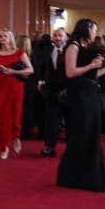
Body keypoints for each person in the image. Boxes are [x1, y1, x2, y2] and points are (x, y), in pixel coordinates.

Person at [56, 18, 105, 191]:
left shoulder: (85, 47)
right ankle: (73, 176)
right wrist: (91, 65)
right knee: (81, 134)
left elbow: (91, 76)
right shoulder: (73, 46)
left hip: (90, 94)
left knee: (90, 134)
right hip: (79, 96)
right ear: (87, 29)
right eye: (94, 29)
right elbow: (70, 72)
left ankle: (84, 176)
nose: (95, 33)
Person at [0, 27, 34, 159]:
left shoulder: (19, 52)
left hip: (16, 87)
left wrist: (13, 72)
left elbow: (30, 70)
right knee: (3, 119)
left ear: (10, 39)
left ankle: (16, 136)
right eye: (1, 36)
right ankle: (4, 148)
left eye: (5, 36)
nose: (3, 38)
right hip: (0, 88)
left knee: (16, 116)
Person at [38, 27, 67, 156]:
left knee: (71, 121)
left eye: (60, 35)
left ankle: (73, 148)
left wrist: (68, 88)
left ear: (66, 37)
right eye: (55, 35)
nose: (57, 38)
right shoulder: (48, 50)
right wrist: (41, 81)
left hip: (68, 91)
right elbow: (43, 67)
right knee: (51, 121)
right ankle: (50, 147)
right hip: (51, 91)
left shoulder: (70, 50)